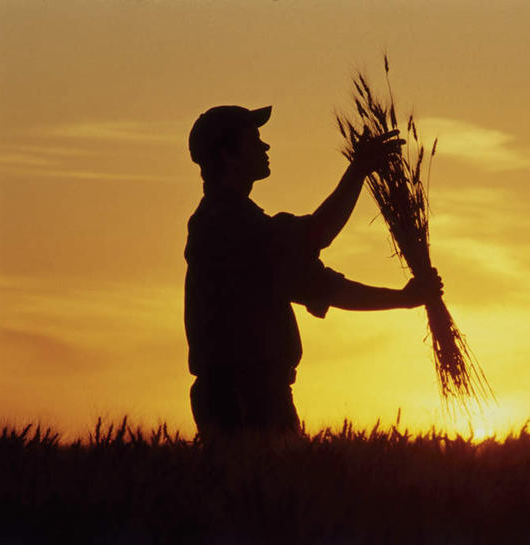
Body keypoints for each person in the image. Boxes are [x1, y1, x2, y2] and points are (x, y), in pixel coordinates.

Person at [185, 105, 442, 440]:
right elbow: (316, 236)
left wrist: (405, 299)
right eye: (255, 139)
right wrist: (358, 172)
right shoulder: (225, 224)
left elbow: (323, 286)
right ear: (227, 155)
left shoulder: (238, 227)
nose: (265, 147)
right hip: (244, 400)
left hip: (256, 397)